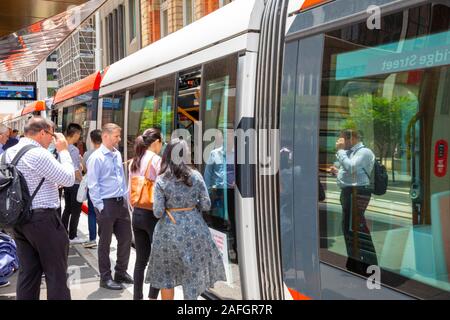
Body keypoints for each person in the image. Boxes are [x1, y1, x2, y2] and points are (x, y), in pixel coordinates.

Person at [145, 138, 226, 300]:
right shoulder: (196, 176)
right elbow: (206, 204)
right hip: (195, 231)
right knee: (192, 276)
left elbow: (158, 212)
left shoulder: (162, 179)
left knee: (166, 278)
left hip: (167, 233)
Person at [4, 117, 75, 300]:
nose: (52, 139)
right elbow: (68, 179)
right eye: (51, 135)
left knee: (28, 274)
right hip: (43, 221)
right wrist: (64, 151)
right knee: (56, 275)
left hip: (18, 221)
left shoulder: (7, 153)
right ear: (43, 132)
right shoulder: (38, 153)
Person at [87, 123, 133, 290]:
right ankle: (105, 278)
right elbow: (93, 185)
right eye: (116, 136)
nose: (119, 139)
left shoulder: (117, 154)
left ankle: (120, 272)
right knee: (105, 243)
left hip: (121, 203)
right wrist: (100, 207)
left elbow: (120, 177)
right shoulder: (96, 158)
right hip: (106, 204)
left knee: (126, 238)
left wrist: (126, 198)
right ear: (105, 136)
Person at [330, 129, 378, 273]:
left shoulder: (364, 152)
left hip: (357, 193)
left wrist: (340, 151)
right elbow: (351, 175)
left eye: (342, 139)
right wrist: (337, 173)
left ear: (352, 138)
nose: (339, 142)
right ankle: (354, 262)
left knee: (358, 227)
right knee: (349, 228)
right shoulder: (352, 153)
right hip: (349, 192)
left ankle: (369, 264)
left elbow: (351, 168)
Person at [129, 128, 163, 300]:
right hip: (152, 215)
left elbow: (130, 191)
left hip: (137, 214)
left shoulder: (135, 160)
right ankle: (152, 296)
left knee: (140, 260)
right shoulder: (156, 160)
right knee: (157, 259)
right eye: (161, 142)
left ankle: (137, 296)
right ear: (156, 142)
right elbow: (162, 188)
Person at [61, 123, 84, 244]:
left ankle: (64, 232)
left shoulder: (62, 147)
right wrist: (83, 181)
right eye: (79, 134)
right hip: (75, 184)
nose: (79, 137)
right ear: (75, 134)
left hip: (66, 183)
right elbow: (76, 170)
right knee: (76, 211)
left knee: (67, 209)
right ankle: (73, 236)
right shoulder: (73, 149)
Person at [81, 129, 102, 249]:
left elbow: (84, 169)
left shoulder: (87, 154)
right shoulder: (108, 153)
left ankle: (93, 239)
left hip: (92, 188)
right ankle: (104, 238)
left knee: (92, 214)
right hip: (105, 189)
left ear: (92, 140)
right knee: (104, 214)